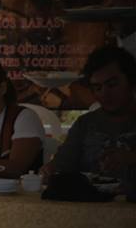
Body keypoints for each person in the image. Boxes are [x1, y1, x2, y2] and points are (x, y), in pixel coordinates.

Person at [43, 46, 136, 180]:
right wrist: (50, 170)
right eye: (97, 88)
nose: (105, 93)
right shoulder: (85, 124)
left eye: (112, 84)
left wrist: (131, 158)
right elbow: (62, 164)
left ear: (131, 82)